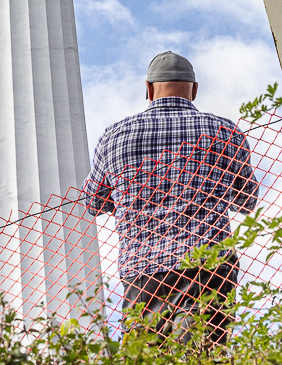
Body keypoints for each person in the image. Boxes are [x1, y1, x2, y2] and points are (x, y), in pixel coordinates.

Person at [83, 52, 258, 347]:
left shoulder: (114, 136)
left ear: (148, 89)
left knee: (148, 355)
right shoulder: (224, 131)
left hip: (142, 268)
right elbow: (247, 200)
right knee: (202, 350)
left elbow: (93, 203)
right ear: (195, 89)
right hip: (209, 262)